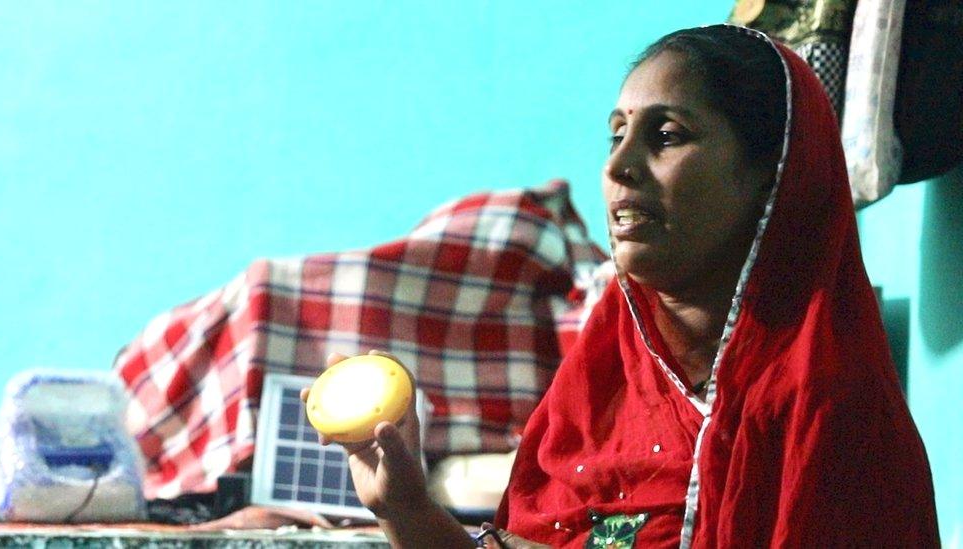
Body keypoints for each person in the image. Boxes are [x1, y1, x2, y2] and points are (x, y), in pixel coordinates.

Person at [302, 24, 939, 547]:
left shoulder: (829, 423)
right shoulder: (600, 383)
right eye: (615, 134)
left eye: (666, 135)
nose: (618, 166)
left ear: (772, 178)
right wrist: (406, 511)